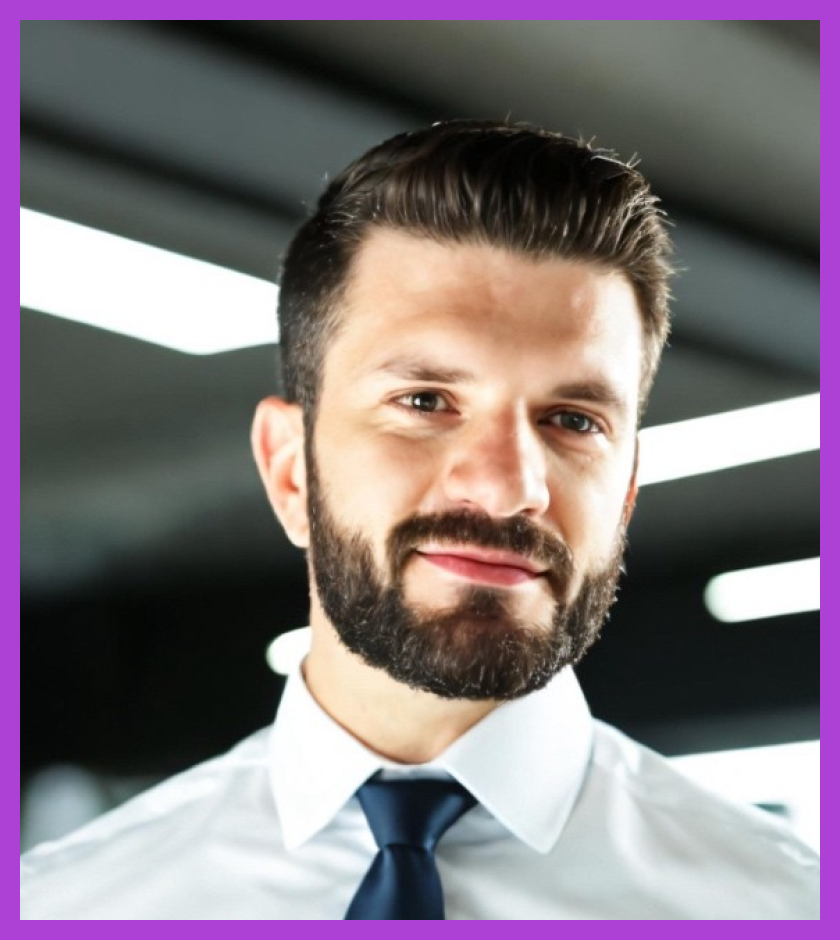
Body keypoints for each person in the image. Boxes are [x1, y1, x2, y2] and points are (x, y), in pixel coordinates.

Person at [20, 120, 818, 920]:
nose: (509, 489)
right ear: (290, 470)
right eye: (426, 402)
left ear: (629, 492)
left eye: (574, 420)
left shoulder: (786, 905)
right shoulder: (67, 907)